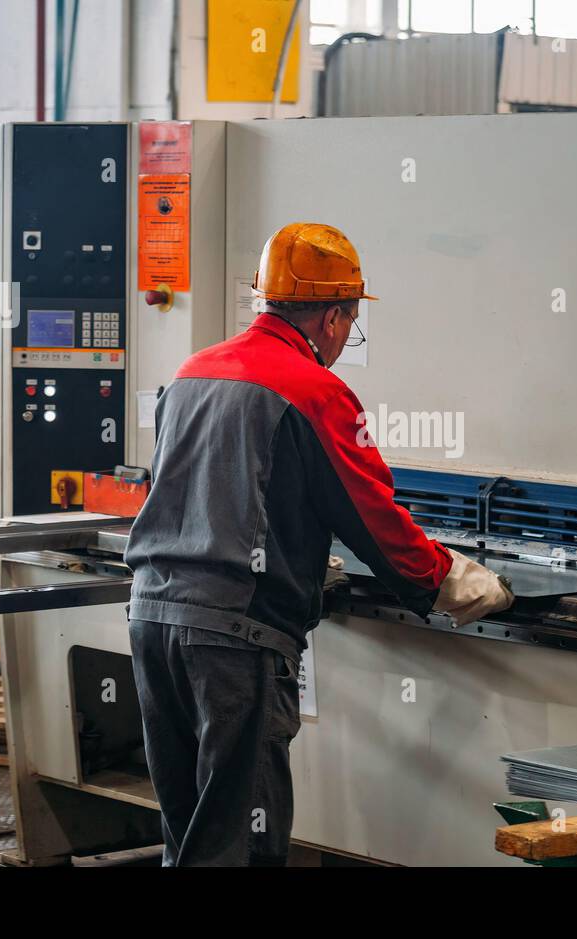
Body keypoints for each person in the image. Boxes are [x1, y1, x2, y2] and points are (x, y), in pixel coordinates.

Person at [124, 222, 514, 866]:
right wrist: (452, 583)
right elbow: (374, 518)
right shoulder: (315, 390)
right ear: (334, 316)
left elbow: (210, 492)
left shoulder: (193, 372)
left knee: (191, 835)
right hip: (234, 639)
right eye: (350, 322)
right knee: (237, 849)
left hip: (152, 619)